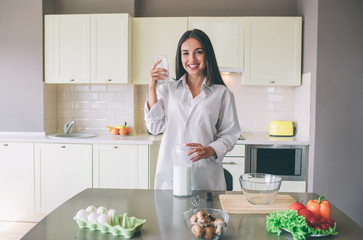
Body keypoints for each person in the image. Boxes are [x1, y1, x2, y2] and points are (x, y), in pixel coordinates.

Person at [144, 29, 241, 191]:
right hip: (170, 178)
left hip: (206, 177)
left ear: (207, 55)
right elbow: (154, 128)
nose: (192, 59)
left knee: (206, 216)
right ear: (180, 57)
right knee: (171, 216)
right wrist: (152, 87)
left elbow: (230, 134)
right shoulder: (168, 90)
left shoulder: (221, 93)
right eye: (185, 53)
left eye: (198, 52)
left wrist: (210, 150)